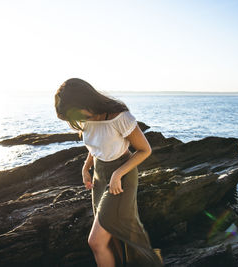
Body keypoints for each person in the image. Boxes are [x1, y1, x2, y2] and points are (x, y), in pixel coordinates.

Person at [55, 78, 163, 267]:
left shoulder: (119, 117)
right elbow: (96, 145)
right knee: (110, 238)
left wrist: (117, 174)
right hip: (99, 176)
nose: (75, 119)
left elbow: (145, 150)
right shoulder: (85, 119)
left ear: (84, 100)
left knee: (96, 241)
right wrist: (86, 167)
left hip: (121, 177)